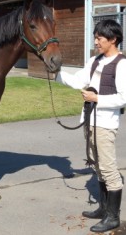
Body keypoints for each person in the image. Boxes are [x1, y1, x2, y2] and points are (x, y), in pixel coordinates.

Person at [56, 19, 126, 233]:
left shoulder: (121, 64)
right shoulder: (95, 61)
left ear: (113, 39)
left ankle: (113, 217)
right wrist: (56, 73)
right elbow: (79, 80)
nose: (96, 41)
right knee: (96, 165)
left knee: (108, 168)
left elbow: (124, 98)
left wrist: (97, 99)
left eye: (99, 38)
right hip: (90, 122)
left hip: (105, 124)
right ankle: (103, 209)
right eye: (95, 37)